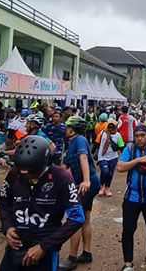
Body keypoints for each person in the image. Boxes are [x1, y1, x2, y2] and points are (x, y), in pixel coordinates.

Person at [0, 136, 85, 271]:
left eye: (31, 171)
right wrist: (7, 227)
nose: (26, 176)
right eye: (22, 170)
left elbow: (77, 217)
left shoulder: (62, 177)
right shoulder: (15, 174)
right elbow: (4, 203)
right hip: (16, 246)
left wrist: (44, 247)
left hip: (45, 249)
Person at [116, 125, 146, 271]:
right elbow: (120, 167)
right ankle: (128, 263)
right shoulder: (129, 149)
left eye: (142, 135)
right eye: (137, 136)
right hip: (132, 197)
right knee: (128, 229)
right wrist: (137, 161)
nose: (139, 138)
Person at [60, 116, 100, 270]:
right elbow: (64, 166)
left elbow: (83, 158)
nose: (65, 129)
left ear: (72, 129)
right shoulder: (71, 144)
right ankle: (87, 253)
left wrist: (86, 180)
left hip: (86, 185)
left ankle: (72, 258)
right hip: (83, 184)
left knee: (75, 219)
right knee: (85, 218)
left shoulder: (80, 140)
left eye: (68, 127)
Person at [96, 119, 124, 197]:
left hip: (113, 157)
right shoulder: (102, 133)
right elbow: (96, 143)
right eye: (110, 126)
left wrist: (125, 157)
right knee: (105, 171)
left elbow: (121, 146)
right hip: (102, 157)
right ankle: (101, 187)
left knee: (110, 174)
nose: (111, 128)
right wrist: (92, 152)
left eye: (113, 126)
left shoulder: (118, 135)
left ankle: (107, 188)